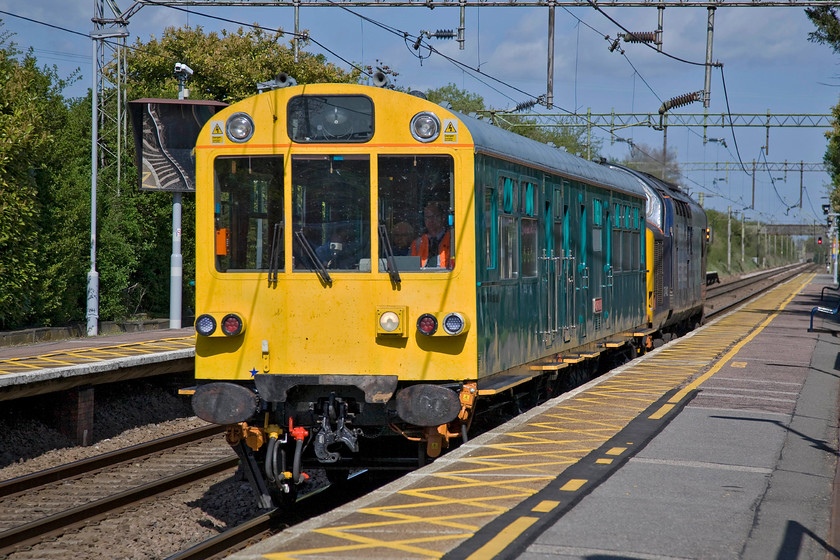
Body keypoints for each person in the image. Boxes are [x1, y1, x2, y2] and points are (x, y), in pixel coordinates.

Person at [411, 202, 451, 268]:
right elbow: (411, 267)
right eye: (427, 217)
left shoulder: (452, 240)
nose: (431, 220)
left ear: (443, 217)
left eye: (434, 216)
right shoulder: (418, 243)